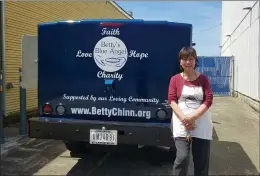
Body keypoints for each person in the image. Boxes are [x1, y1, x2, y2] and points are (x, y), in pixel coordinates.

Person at [168, 46, 213, 176]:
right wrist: (185, 119)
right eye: (185, 59)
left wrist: (192, 118)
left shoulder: (203, 79)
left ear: (195, 61)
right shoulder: (175, 79)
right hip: (181, 123)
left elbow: (208, 100)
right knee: (182, 158)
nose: (188, 62)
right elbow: (172, 100)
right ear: (180, 61)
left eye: (191, 59)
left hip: (201, 123)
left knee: (201, 161)